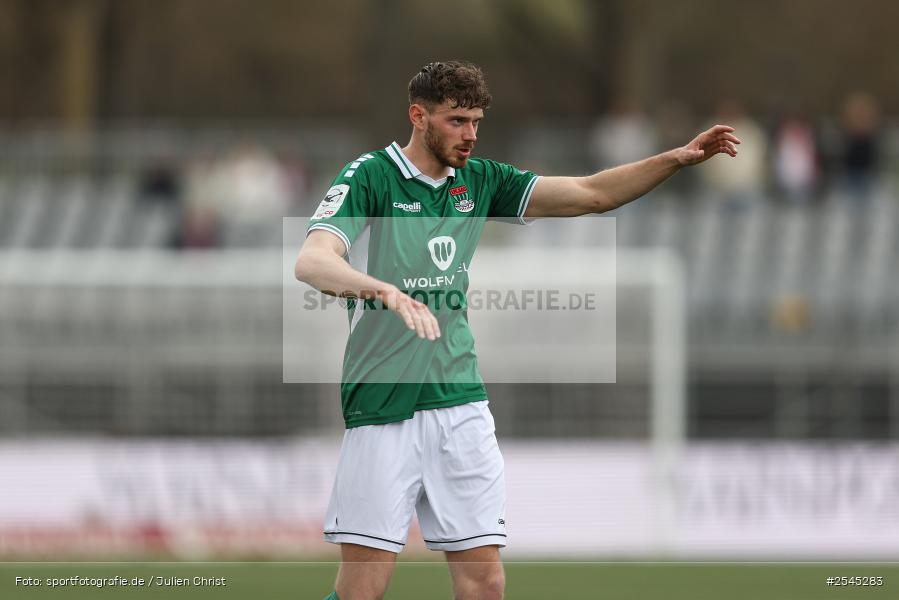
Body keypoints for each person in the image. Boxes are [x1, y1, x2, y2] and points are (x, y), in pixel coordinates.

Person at [294, 60, 739, 600]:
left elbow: (591, 193)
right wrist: (383, 291)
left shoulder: (481, 181)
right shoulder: (370, 177)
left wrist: (674, 158)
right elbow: (312, 261)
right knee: (363, 590)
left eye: (476, 122)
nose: (470, 134)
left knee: (485, 583)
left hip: (460, 402)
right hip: (383, 404)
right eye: (457, 121)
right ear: (418, 116)